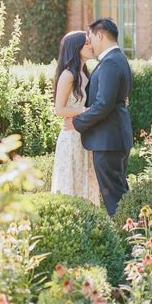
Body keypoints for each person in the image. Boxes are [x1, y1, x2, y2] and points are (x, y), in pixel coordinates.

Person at [72, 17, 133, 216]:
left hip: (108, 141)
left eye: (90, 38)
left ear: (100, 35)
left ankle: (131, 242)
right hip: (115, 138)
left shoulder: (110, 63)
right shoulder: (119, 59)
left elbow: (103, 105)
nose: (89, 43)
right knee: (120, 194)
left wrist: (77, 122)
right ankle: (135, 239)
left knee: (114, 198)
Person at [51, 30, 100, 206]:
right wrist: (85, 111)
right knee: (71, 186)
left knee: (86, 183)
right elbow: (59, 109)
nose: (91, 46)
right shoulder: (68, 75)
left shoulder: (85, 74)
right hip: (71, 138)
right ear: (76, 48)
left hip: (84, 137)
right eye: (87, 43)